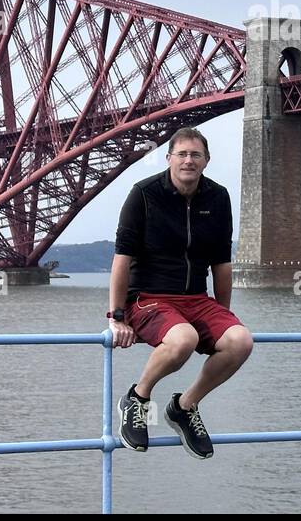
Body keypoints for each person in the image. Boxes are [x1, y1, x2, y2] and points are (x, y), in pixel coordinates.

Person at [108, 126, 253, 458]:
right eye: (182, 154)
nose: (188, 160)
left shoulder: (217, 197)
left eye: (195, 154)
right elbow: (121, 260)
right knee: (183, 338)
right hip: (148, 297)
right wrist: (116, 317)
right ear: (169, 157)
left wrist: (225, 316)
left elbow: (221, 263)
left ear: (206, 161)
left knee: (240, 341)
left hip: (196, 299)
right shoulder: (143, 194)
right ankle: (138, 398)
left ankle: (184, 406)